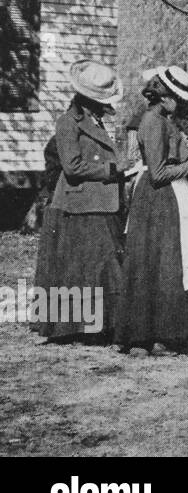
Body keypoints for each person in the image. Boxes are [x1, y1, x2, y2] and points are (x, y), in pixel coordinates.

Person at [116, 66, 188, 353]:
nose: (181, 102)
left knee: (165, 266)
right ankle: (141, 336)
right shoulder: (152, 121)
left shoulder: (164, 120)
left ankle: (162, 334)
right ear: (164, 95)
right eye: (177, 96)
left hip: (166, 199)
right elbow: (158, 172)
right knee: (152, 265)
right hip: (156, 200)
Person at [32, 60, 126, 342]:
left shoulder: (92, 121)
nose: (106, 107)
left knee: (95, 269)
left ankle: (97, 326)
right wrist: (112, 169)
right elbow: (72, 167)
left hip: (97, 202)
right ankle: (75, 328)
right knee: (82, 269)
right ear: (88, 99)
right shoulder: (67, 123)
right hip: (77, 205)